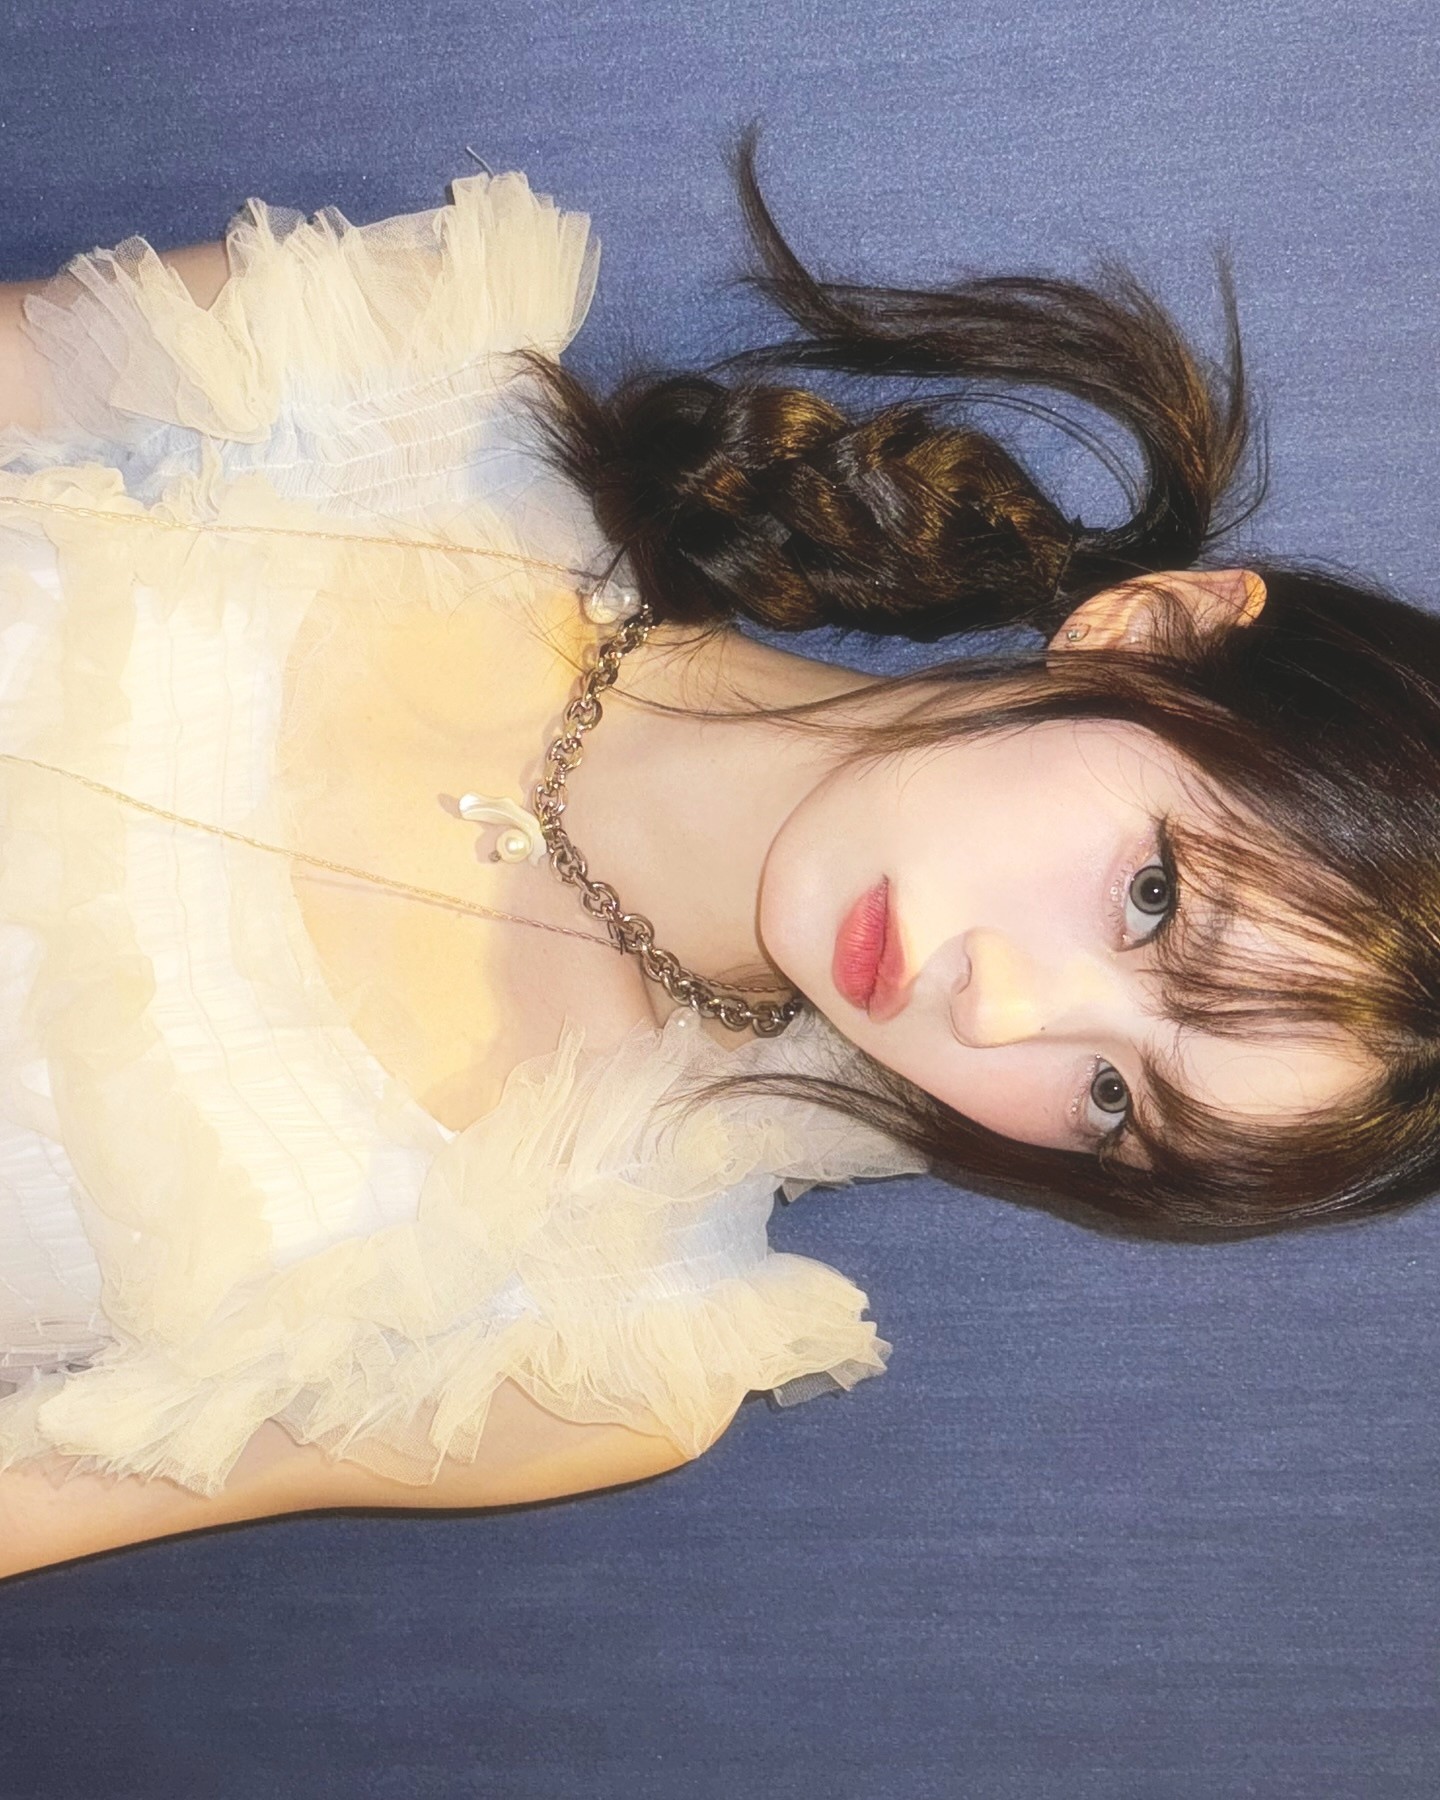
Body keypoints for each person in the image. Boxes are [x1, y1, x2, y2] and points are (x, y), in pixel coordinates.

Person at [0, 131, 1431, 1574]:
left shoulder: (584, 1331)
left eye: (1112, 1099)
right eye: (1154, 899)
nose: (1002, 1013)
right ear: (1154, 636)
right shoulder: (391, 394)